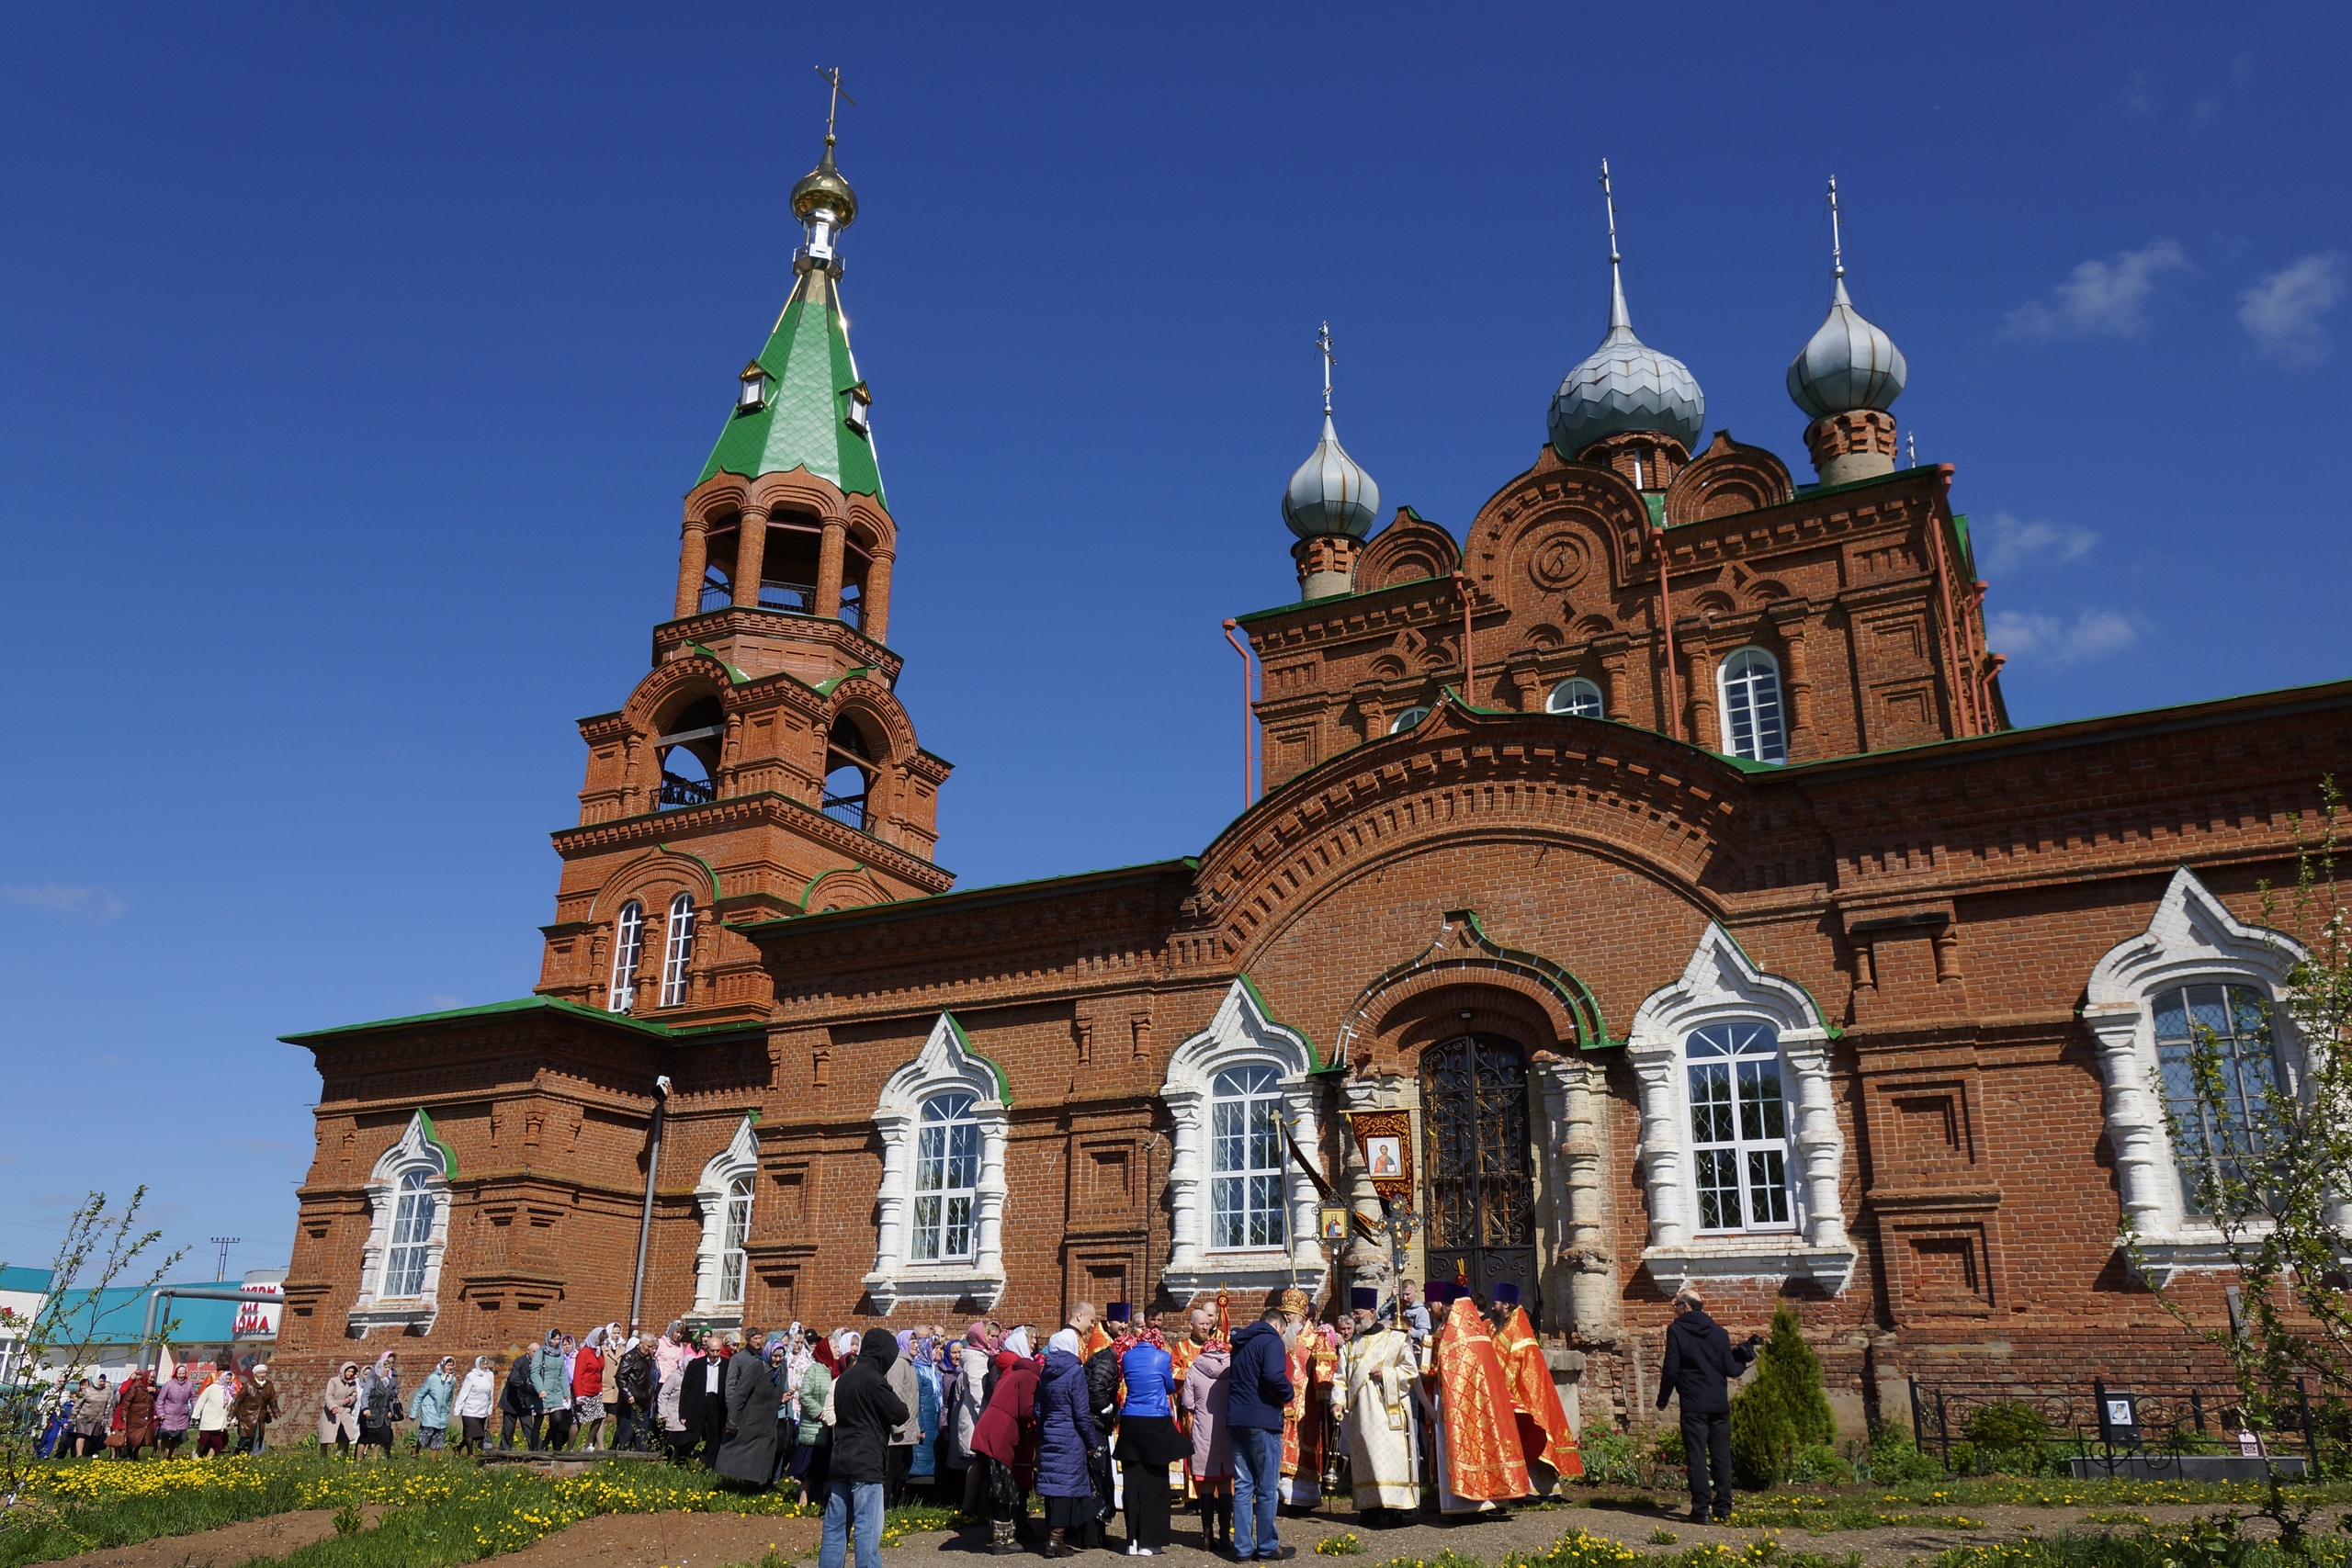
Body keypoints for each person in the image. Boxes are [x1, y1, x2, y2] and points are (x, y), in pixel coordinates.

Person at [1657, 1286, 1761, 1525]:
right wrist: (1748, 1361)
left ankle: (1701, 1509)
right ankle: (1723, 1507)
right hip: (1718, 1404)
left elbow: (1671, 1368)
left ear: (1686, 1306)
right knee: (1721, 1456)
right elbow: (1730, 1369)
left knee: (1696, 1456)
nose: (1674, 1311)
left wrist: (1663, 1399)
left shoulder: (1677, 1330)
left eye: (1675, 1307)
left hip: (1694, 1403)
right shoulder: (1719, 1333)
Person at [1429, 1283, 1528, 1515]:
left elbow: (1436, 1369)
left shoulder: (1447, 1334)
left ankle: (1462, 1503)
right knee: (1488, 1445)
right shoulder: (1480, 1333)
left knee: (1460, 1448)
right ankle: (1495, 1497)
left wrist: (1427, 1371)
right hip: (1485, 1407)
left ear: (1451, 1306)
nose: (1442, 1309)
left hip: (1456, 1406)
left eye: (1445, 1305)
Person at [820, 1326, 910, 1568]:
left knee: (835, 1529)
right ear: (884, 1354)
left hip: (840, 1459)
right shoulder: (873, 1379)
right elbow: (900, 1413)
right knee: (866, 1531)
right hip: (866, 1462)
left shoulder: (845, 1378)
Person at [1227, 1291, 1302, 1562]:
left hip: (1237, 1420)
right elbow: (1272, 1375)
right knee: (1267, 1486)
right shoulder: (1272, 1342)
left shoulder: (1241, 1343)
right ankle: (1268, 1545)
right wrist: (1289, 1392)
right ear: (1279, 1325)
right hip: (1263, 1422)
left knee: (1244, 1484)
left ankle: (1243, 1547)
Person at [1333, 1288, 1417, 1527]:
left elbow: (1410, 1373)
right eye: (1352, 1313)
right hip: (1361, 1415)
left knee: (1388, 1460)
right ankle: (1369, 1508)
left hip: (1386, 1412)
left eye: (1358, 1313)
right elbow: (1341, 1377)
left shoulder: (1395, 1338)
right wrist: (1337, 1401)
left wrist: (1387, 1373)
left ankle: (1394, 1509)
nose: (1355, 1317)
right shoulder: (1350, 1346)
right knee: (1365, 1461)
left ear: (1372, 1312)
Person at [1487, 1283, 1579, 1497]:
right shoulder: (1506, 1325)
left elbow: (1516, 1364)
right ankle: (1533, 1488)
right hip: (1518, 1393)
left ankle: (1540, 1489)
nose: (1493, 1308)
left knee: (1533, 1437)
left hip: (1526, 1394)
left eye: (1496, 1304)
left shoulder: (1517, 1328)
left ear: (1506, 1305)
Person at [1115, 1305, 1186, 1557]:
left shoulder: (1129, 1356)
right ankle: (1149, 1542)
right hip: (1154, 1420)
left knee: (1132, 1483)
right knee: (1154, 1484)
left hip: (1130, 1421)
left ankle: (1131, 1541)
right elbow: (1169, 1387)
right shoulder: (1163, 1357)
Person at [970, 1325, 1040, 1555]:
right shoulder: (1028, 1376)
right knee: (1001, 1487)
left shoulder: (1016, 1372)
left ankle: (1000, 1536)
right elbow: (1026, 1410)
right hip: (999, 1435)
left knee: (998, 1484)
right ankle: (1002, 1541)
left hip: (991, 1430)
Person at [1035, 1327, 1102, 1560]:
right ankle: (1056, 1539)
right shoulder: (1075, 1371)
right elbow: (1081, 1412)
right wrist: (1091, 1441)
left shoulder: (1046, 1371)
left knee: (1053, 1486)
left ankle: (1052, 1537)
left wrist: (1045, 1431)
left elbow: (1039, 1408)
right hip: (1070, 1435)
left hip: (1051, 1432)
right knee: (1064, 1487)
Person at [1181, 1312, 1234, 1551]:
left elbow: (1187, 1403)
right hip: (1226, 1432)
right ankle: (1224, 1534)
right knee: (1224, 1485)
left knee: (1206, 1486)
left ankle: (1205, 1534)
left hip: (1203, 1431)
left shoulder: (1195, 1368)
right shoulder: (1233, 1368)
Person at [718, 1326, 783, 1487]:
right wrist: (733, 1421)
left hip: (769, 1422)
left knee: (764, 1456)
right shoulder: (756, 1367)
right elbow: (740, 1394)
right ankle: (745, 1489)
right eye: (775, 1356)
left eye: (781, 1356)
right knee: (748, 1457)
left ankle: (760, 1487)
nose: (777, 1360)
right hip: (752, 1420)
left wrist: (782, 1399)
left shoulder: (781, 1371)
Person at [951, 1320, 993, 1515]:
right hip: (976, 1417)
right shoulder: (975, 1360)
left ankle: (980, 1503)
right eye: (987, 1334)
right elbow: (978, 1393)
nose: (990, 1338)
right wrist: (986, 1418)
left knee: (983, 1461)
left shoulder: (981, 1356)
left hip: (979, 1415)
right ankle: (968, 1505)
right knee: (976, 1461)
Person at [790, 1332, 836, 1498]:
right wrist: (819, 1413)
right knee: (807, 1465)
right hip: (814, 1427)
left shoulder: (836, 1370)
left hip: (830, 1427)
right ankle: (803, 1498)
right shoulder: (814, 1370)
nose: (838, 1350)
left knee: (825, 1465)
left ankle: (825, 1498)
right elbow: (805, 1395)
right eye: (835, 1347)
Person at [885, 1328, 922, 1506]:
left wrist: (916, 1429)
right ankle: (886, 1507)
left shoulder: (909, 1363)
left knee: (903, 1470)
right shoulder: (898, 1364)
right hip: (898, 1431)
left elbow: (912, 1399)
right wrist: (897, 1426)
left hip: (907, 1429)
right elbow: (895, 1395)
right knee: (892, 1471)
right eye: (912, 1341)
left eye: (917, 1341)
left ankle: (899, 1505)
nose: (916, 1344)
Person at [356, 1352, 401, 1460]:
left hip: (384, 1414)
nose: (387, 1369)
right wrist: (365, 1408)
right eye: (385, 1367)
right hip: (372, 1413)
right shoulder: (372, 1380)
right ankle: (358, 1459)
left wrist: (390, 1410)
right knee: (365, 1438)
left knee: (382, 1437)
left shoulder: (387, 1381)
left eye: (388, 1367)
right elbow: (365, 1395)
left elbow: (388, 1396)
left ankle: (374, 1458)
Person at [574, 1326, 610, 1452]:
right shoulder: (584, 1353)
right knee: (579, 1420)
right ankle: (569, 1448)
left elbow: (599, 1373)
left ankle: (588, 1444)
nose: (601, 1342)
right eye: (600, 1340)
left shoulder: (598, 1353)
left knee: (600, 1415)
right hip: (584, 1392)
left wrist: (600, 1390)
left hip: (595, 1391)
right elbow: (578, 1375)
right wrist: (579, 1394)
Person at [232, 1363, 280, 1456]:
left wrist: (276, 1412)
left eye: (264, 1373)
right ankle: (238, 1448)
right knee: (246, 1436)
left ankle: (255, 1454)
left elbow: (272, 1400)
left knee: (258, 1435)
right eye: (260, 1373)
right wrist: (231, 1416)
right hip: (248, 1415)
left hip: (261, 1415)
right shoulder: (248, 1385)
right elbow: (238, 1400)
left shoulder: (269, 1385)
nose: (262, 1375)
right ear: (255, 1374)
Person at [616, 1335, 654, 1452]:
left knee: (643, 1435)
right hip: (631, 1401)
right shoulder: (630, 1357)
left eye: (652, 1347)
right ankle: (622, 1459)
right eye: (648, 1346)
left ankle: (640, 1461)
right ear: (641, 1343)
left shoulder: (648, 1358)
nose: (650, 1349)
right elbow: (620, 1377)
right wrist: (628, 1394)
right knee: (627, 1433)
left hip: (644, 1401)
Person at [499, 1353, 543, 1451]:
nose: (536, 1354)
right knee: (508, 1428)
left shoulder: (539, 1363)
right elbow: (513, 1379)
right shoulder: (520, 1362)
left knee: (528, 1425)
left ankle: (536, 1448)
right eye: (533, 1352)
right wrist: (529, 1387)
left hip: (525, 1401)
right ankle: (504, 1450)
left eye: (537, 1352)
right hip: (512, 1400)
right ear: (528, 1351)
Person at [413, 1356, 458, 1452]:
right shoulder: (432, 1378)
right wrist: (413, 1413)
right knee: (425, 1435)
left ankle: (433, 1462)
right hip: (430, 1411)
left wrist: (447, 1408)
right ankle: (415, 1452)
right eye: (448, 1365)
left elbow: (450, 1396)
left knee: (439, 1437)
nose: (450, 1367)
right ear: (443, 1365)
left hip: (443, 1413)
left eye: (451, 1365)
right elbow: (419, 1395)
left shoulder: (452, 1380)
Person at [454, 1356, 496, 1453]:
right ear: (478, 1364)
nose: (485, 1366)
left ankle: (458, 1448)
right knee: (470, 1433)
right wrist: (458, 1407)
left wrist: (490, 1407)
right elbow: (464, 1392)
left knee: (479, 1434)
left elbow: (491, 1392)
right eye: (483, 1364)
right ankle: (470, 1454)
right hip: (470, 1409)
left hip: (482, 1409)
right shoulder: (471, 1376)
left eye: (486, 1364)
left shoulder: (489, 1375)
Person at [320, 1361, 362, 1459]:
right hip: (331, 1413)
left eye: (352, 1372)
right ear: (344, 1371)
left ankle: (338, 1455)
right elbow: (328, 1396)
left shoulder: (353, 1384)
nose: (350, 1373)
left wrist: (349, 1400)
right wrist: (333, 1407)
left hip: (344, 1412)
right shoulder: (334, 1381)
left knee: (345, 1435)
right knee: (326, 1436)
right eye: (348, 1371)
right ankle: (323, 1456)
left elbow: (354, 1396)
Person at [112, 1370, 156, 1461]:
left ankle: (135, 1454)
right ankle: (126, 1453)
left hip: (146, 1415)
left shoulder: (152, 1387)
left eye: (153, 1377)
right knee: (132, 1437)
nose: (152, 1379)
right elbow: (126, 1398)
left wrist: (155, 1391)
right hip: (135, 1415)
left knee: (144, 1437)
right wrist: (124, 1414)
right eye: (150, 1377)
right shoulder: (135, 1386)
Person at [154, 1362, 196, 1458]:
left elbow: (193, 1398)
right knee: (165, 1435)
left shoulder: (189, 1385)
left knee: (177, 1437)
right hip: (168, 1414)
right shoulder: (168, 1385)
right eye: (179, 1373)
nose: (181, 1376)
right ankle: (162, 1454)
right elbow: (160, 1400)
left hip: (182, 1415)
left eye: (183, 1374)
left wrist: (195, 1411)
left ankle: (171, 1455)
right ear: (176, 1373)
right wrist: (161, 1413)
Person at [190, 1369, 234, 1458]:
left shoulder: (231, 1391)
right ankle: (197, 1452)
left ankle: (208, 1460)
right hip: (209, 1419)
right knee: (204, 1439)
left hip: (221, 1421)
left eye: (230, 1379)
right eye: (226, 1378)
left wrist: (232, 1419)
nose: (228, 1381)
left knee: (218, 1443)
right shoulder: (212, 1388)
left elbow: (232, 1407)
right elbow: (201, 1401)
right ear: (222, 1378)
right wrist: (196, 1415)